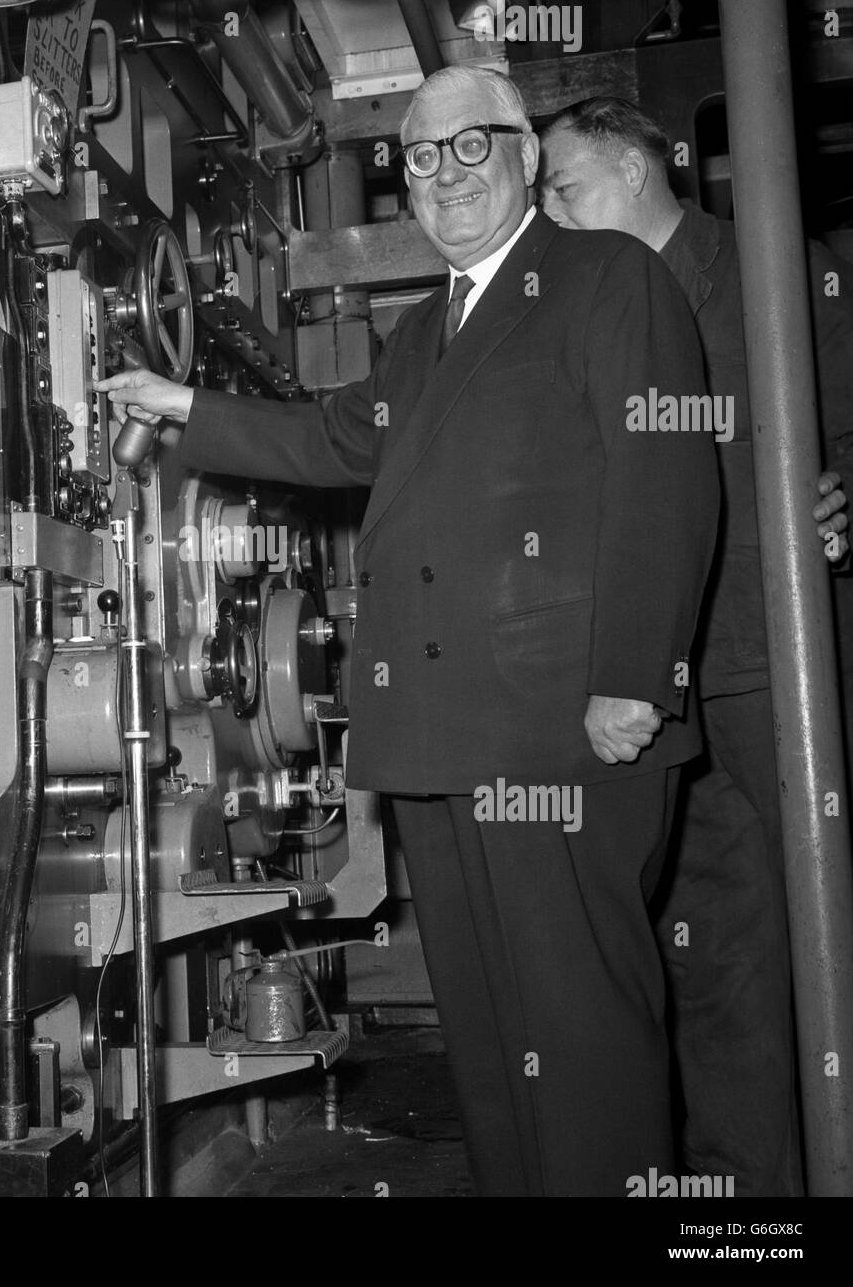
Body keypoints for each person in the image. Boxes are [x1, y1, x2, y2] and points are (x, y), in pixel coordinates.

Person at [99, 66, 719, 1196]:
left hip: (562, 733)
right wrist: (182, 406)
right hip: (444, 739)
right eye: (421, 158)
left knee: (580, 1034)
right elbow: (340, 441)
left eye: (471, 146)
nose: (444, 176)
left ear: (526, 155)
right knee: (491, 1045)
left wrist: (635, 675)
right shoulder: (427, 328)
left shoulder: (604, 276)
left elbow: (664, 475)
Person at [539, 95, 853, 1196]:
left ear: (630, 166)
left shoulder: (780, 268)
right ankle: (749, 1204)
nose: (546, 212)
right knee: (716, 957)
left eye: (561, 185)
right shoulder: (582, 308)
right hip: (675, 688)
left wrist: (844, 493)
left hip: (794, 665)